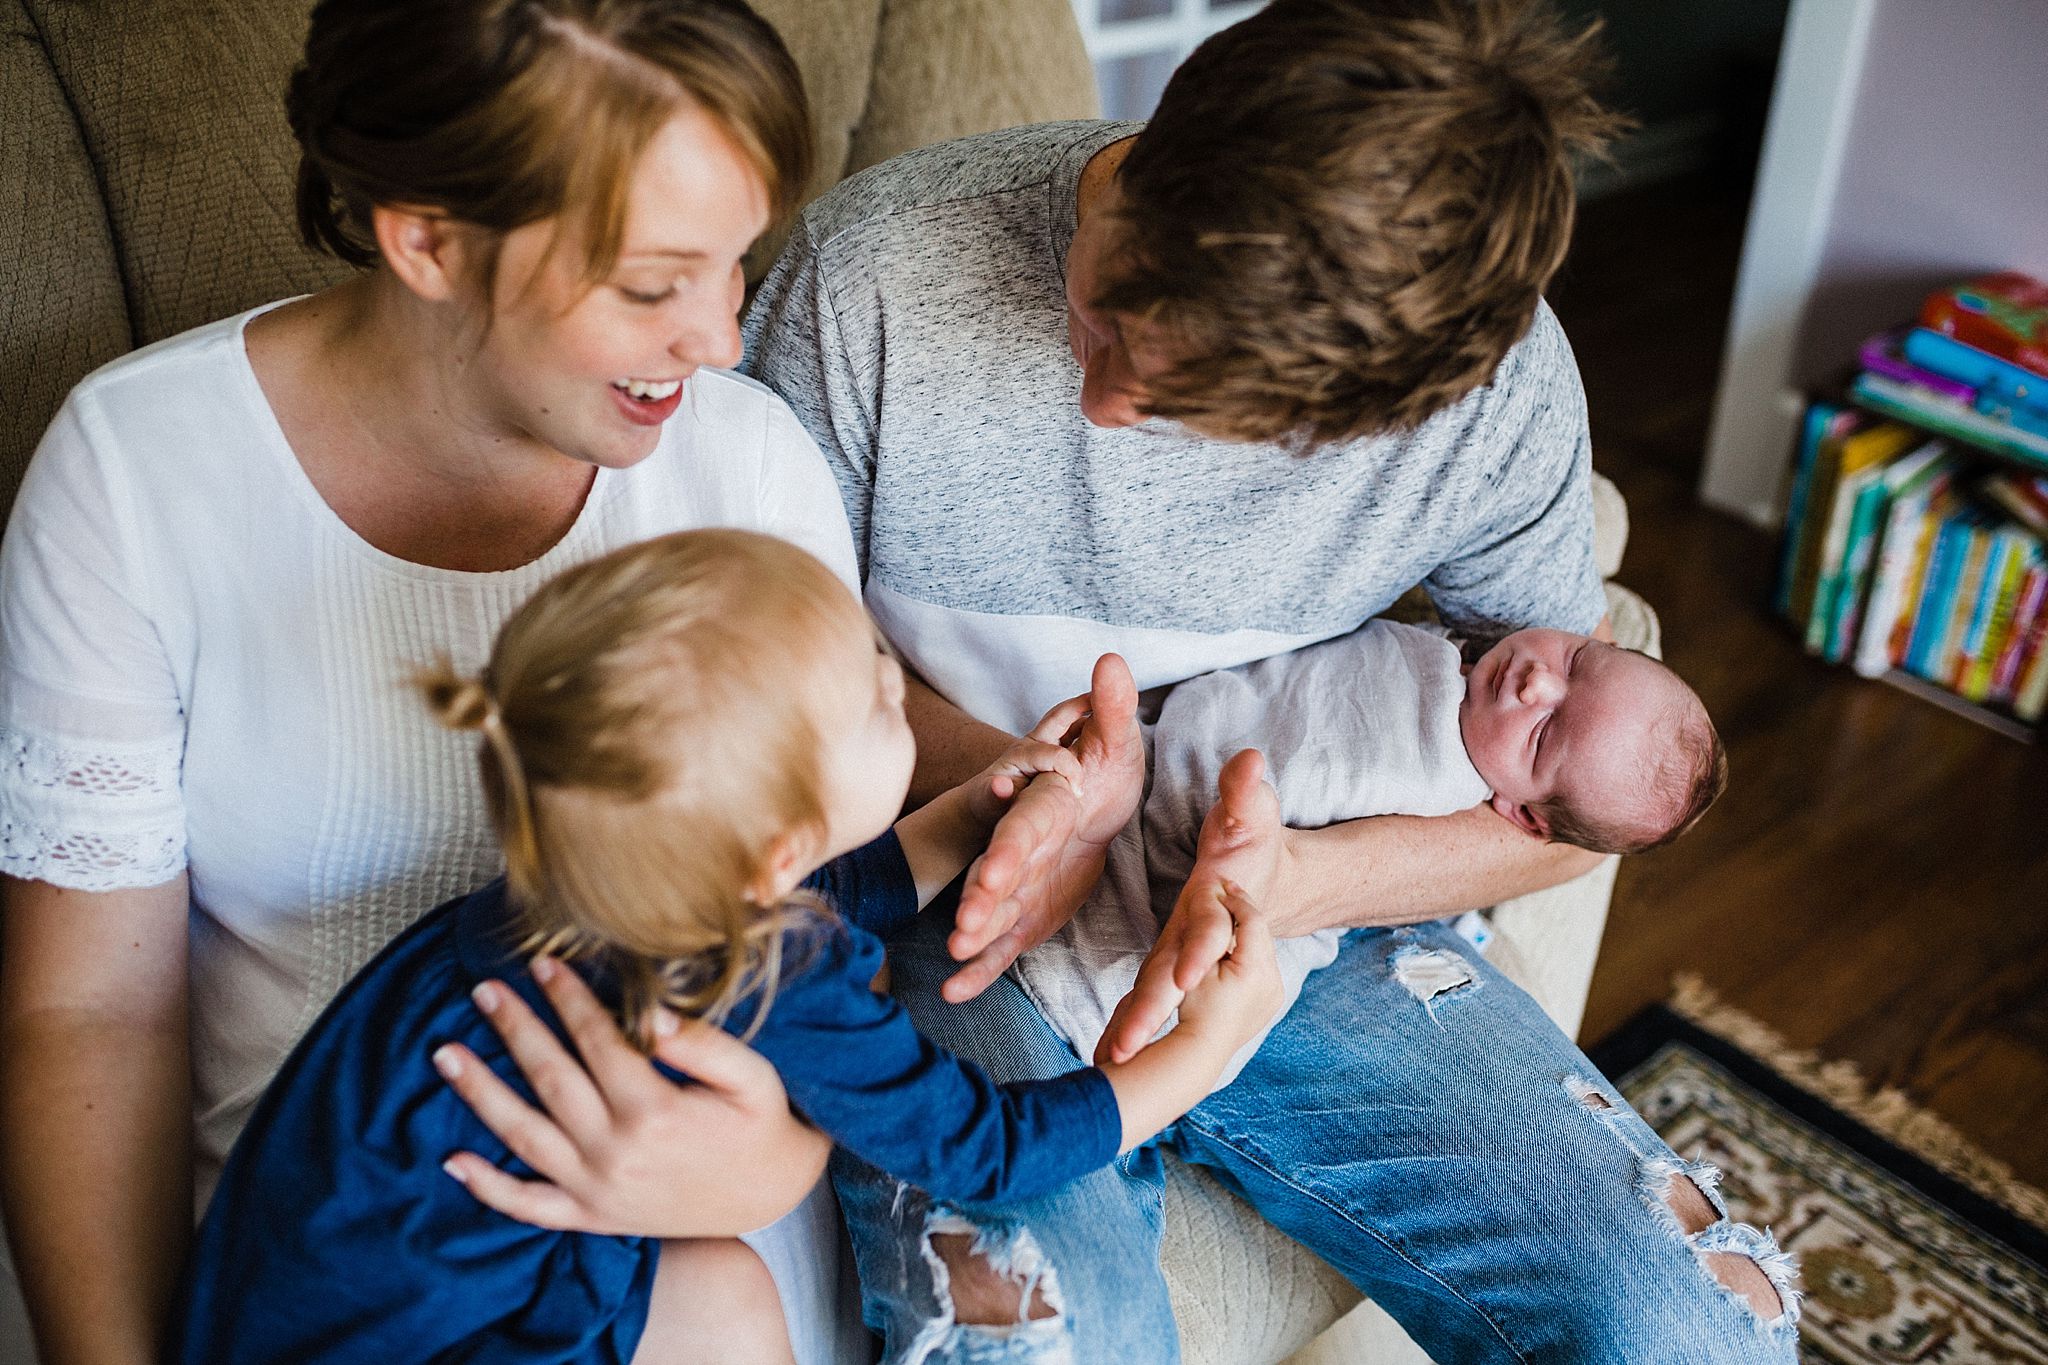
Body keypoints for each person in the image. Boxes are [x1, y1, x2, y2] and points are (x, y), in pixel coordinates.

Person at [394, 3, 1800, 1362]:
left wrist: (1294, 886)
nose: (1106, 404)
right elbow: (731, 679)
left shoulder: (1496, 402)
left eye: (1196, 407)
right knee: (1047, 1337)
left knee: (1698, 1320)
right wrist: (1038, 788)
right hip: (957, 906)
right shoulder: (869, 287)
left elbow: (1560, 825)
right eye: (1114, 315)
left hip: (1311, 926)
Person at [0, 4, 871, 1362]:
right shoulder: (136, 473)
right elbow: (90, 1015)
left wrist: (776, 1159)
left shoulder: (748, 470)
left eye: (737, 263)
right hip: (324, 1282)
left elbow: (808, 930)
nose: (721, 341)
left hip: (687, 1266)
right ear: (426, 240)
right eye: (654, 284)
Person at [175, 528, 1284, 1363]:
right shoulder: (773, 975)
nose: (902, 702)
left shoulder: (605, 891)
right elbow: (983, 1149)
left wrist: (969, 814)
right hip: (434, 1332)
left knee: (723, 1294)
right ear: (777, 846)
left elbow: (817, 891)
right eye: (875, 703)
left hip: (282, 1290)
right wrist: (1196, 1058)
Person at [1019, 621, 1729, 1087]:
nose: (1536, 682)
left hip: (1136, 937)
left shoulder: (1425, 775)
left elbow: (1246, 779)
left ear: (1520, 815)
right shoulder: (1453, 663)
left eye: (1545, 735)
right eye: (1576, 659)